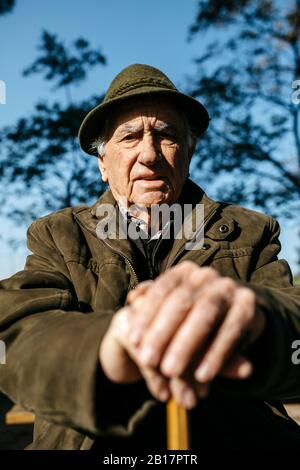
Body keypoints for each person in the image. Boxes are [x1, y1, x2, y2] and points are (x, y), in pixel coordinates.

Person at [1, 63, 300, 451]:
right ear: (103, 165)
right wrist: (108, 349)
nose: (149, 154)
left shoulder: (251, 230)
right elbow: (18, 336)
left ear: (189, 151)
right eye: (129, 137)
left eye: (166, 135)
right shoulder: (58, 235)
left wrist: (256, 321)